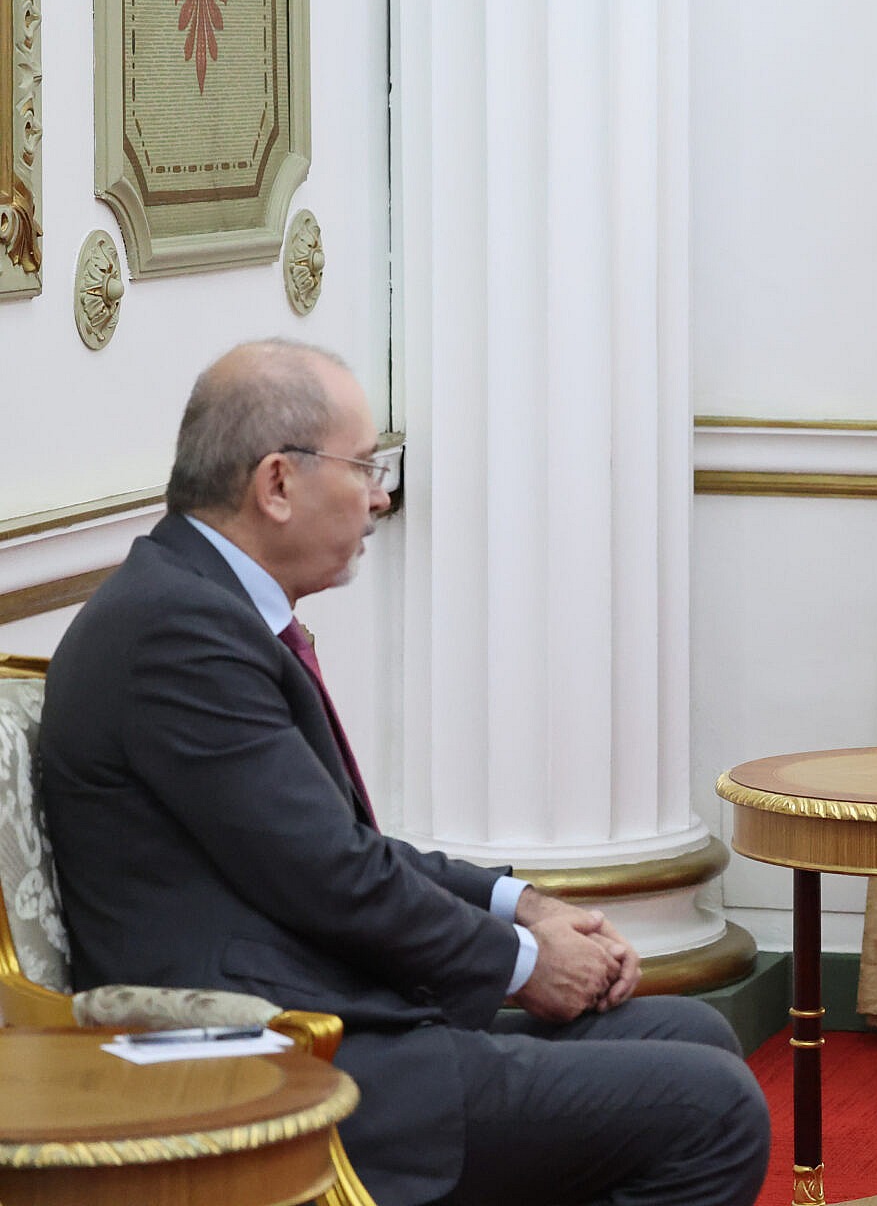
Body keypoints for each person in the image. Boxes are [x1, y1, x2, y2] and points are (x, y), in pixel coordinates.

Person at [38, 340, 770, 1206]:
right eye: (365, 466)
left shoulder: (199, 606)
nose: (382, 494)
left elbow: (338, 848)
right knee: (715, 1111)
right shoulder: (176, 634)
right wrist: (523, 963)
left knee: (692, 1034)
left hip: (334, 1005)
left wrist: (521, 905)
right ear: (276, 484)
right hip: (273, 1053)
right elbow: (334, 876)